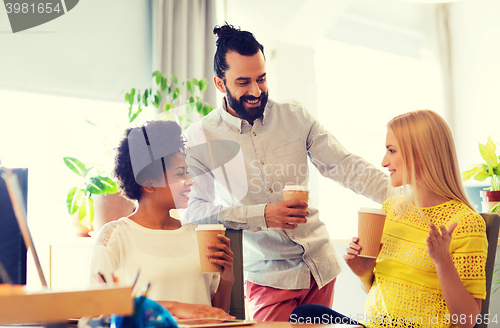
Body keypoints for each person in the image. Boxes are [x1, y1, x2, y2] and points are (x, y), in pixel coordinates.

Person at [182, 22, 389, 321]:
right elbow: (194, 211)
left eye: (262, 79)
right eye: (243, 82)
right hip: (267, 277)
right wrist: (262, 215)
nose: (256, 91)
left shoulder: (294, 116)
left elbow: (344, 166)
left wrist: (404, 195)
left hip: (320, 266)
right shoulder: (201, 137)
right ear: (219, 83)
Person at [341, 110, 487, 328]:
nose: (383, 162)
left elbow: (466, 321)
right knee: (305, 314)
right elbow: (385, 295)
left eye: (391, 151)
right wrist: (364, 273)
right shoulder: (391, 209)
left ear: (419, 154)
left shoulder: (465, 223)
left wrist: (442, 261)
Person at [89, 120, 235, 320]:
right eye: (180, 174)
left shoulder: (197, 235)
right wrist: (176, 308)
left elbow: (218, 313)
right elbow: (100, 308)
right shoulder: (116, 236)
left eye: (187, 172)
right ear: (148, 183)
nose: (189, 180)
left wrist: (227, 279)